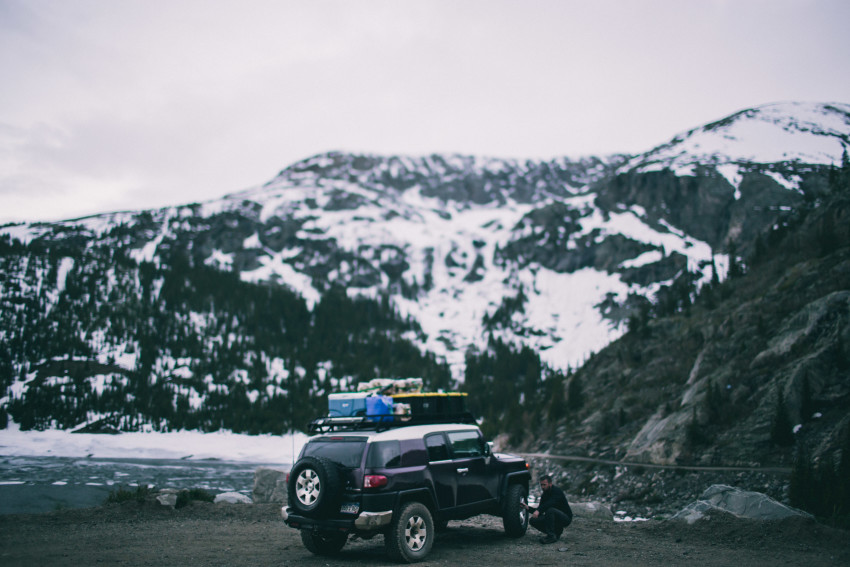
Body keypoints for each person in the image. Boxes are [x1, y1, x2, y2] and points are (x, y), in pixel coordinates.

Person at [523, 474, 573, 544]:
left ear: (550, 484)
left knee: (550, 510)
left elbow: (550, 503)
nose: (542, 487)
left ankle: (551, 536)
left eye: (544, 485)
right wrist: (527, 508)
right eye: (541, 485)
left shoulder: (557, 491)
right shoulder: (544, 495)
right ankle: (556, 532)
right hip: (553, 517)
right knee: (533, 520)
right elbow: (540, 510)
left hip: (565, 518)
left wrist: (538, 510)